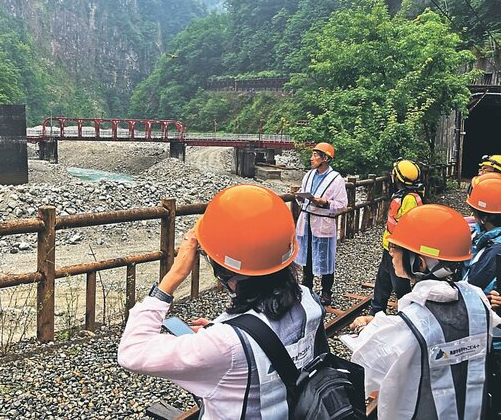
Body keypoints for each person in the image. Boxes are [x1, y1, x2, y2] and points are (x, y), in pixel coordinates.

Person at [118, 184, 328, 419]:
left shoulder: (225, 344)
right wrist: (223, 329)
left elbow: (132, 351)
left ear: (224, 271)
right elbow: (271, 338)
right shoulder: (308, 300)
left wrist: (173, 276)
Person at [349, 204, 500, 419]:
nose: (390, 252)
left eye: (396, 247)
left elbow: (368, 371)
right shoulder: (478, 301)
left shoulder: (408, 326)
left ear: (419, 263)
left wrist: (367, 329)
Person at [462, 175, 501, 416]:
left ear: (484, 217)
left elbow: (472, 284)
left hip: (493, 342)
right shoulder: (486, 241)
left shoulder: (495, 250)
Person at [294, 142, 348, 305]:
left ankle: (326, 291)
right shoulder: (309, 175)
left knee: (326, 257)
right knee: (307, 257)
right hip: (307, 221)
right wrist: (300, 197)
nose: (312, 158)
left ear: (325, 158)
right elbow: (301, 194)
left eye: (315, 155)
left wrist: (325, 202)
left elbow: (342, 204)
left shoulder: (336, 179)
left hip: (323, 222)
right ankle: (307, 288)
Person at [368, 159, 422, 316]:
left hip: (398, 248)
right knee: (383, 279)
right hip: (390, 246)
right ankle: (376, 309)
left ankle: (408, 313)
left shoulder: (409, 198)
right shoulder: (402, 195)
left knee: (399, 283)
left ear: (398, 178)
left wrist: (399, 246)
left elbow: (409, 225)